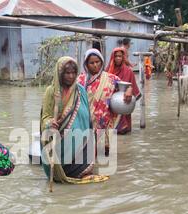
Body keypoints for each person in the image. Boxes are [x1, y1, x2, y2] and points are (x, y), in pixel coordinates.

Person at [40, 56, 109, 184]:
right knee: (60, 167)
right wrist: (50, 123)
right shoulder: (51, 91)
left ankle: (81, 172)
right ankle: (60, 174)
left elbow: (86, 114)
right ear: (60, 73)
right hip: (60, 136)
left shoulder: (80, 90)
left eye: (73, 73)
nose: (71, 76)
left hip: (80, 136)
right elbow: (45, 116)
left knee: (81, 162)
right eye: (67, 73)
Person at [77, 48, 124, 154]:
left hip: (104, 121)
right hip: (86, 120)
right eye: (91, 63)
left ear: (102, 62)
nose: (95, 65)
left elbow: (125, 87)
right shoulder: (80, 80)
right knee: (87, 151)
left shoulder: (111, 78)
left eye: (97, 62)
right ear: (86, 64)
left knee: (103, 153)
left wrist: (129, 92)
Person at [106, 47, 141, 134]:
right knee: (110, 131)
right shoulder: (108, 71)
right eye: (116, 56)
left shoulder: (128, 71)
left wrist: (129, 89)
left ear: (123, 57)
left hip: (124, 101)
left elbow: (133, 87)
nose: (118, 58)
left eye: (120, 56)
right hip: (111, 102)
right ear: (112, 57)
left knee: (123, 131)